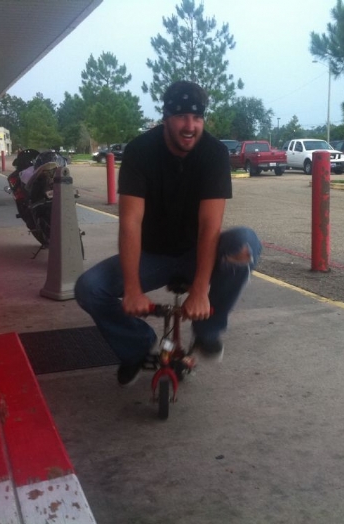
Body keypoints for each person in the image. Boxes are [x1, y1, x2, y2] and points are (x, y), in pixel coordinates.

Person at [75, 80, 261, 386]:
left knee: (245, 244)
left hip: (197, 252)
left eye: (197, 118)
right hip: (153, 255)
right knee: (89, 288)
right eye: (181, 117)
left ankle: (208, 331)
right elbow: (131, 222)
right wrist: (133, 289)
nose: (190, 126)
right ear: (166, 117)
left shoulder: (213, 153)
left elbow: (209, 227)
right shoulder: (140, 151)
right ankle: (136, 346)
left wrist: (200, 291)